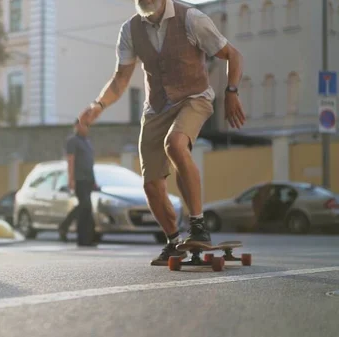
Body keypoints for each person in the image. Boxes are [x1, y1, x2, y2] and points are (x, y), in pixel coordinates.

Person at [78, 0, 246, 265]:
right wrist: (98, 105)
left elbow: (233, 54)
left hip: (194, 97)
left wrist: (232, 91)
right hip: (156, 108)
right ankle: (173, 241)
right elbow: (121, 78)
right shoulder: (130, 29)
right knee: (152, 184)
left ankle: (199, 224)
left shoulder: (192, 18)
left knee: (175, 144)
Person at [60, 119, 98, 246]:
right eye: (83, 125)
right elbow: (70, 160)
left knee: (86, 209)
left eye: (87, 125)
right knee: (85, 206)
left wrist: (94, 180)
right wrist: (71, 179)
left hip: (88, 180)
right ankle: (77, 235)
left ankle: (85, 239)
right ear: (76, 126)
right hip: (79, 179)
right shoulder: (72, 141)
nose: (86, 128)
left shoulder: (87, 142)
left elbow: (90, 163)